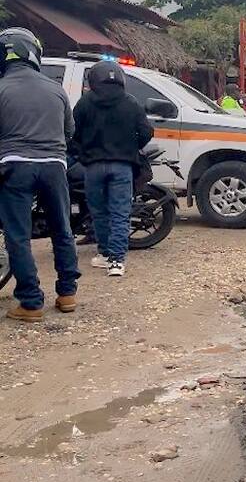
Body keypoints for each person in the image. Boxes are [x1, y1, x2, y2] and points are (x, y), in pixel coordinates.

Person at [0, 28, 80, 322]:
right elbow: (69, 132)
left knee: (17, 235)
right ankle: (67, 293)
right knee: (62, 229)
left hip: (14, 167)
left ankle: (31, 302)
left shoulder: (1, 89)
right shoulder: (56, 90)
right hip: (54, 166)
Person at [71, 61, 154, 277]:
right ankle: (117, 262)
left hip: (93, 168)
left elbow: (73, 134)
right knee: (120, 213)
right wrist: (131, 147)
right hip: (122, 167)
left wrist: (83, 154)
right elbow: (146, 132)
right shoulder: (131, 102)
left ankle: (105, 253)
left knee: (99, 212)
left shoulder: (84, 103)